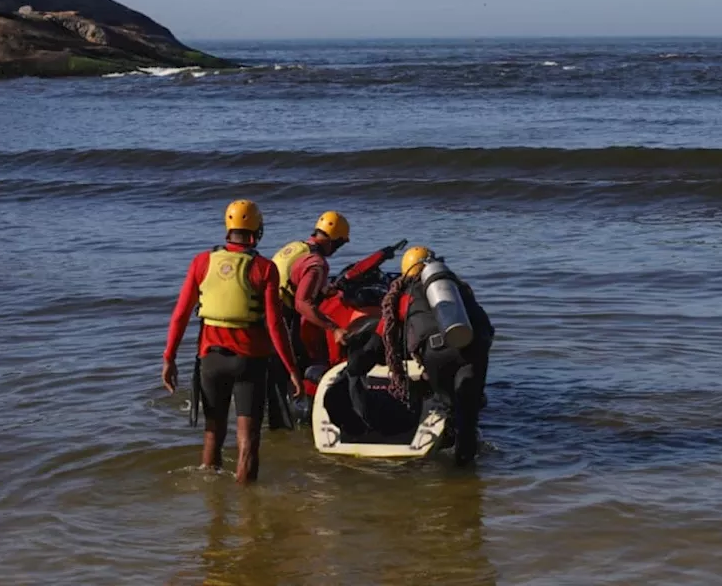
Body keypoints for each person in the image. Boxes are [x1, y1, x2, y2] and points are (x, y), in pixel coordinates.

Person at [161, 199, 301, 484]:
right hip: (250, 361)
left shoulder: (202, 262)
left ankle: (214, 510)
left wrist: (169, 358)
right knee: (247, 439)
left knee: (212, 433)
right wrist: (292, 369)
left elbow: (180, 315)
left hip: (211, 359)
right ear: (257, 229)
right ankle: (249, 510)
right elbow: (275, 325)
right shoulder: (265, 268)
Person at [349, 245, 494, 465]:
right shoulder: (459, 290)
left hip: (435, 354)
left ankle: (444, 467)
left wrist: (357, 363)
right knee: (467, 412)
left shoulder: (402, 297)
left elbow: (379, 340)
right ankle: (468, 475)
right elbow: (486, 327)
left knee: (447, 405)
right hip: (472, 349)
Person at [271, 211, 352, 372]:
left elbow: (292, 278)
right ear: (333, 240)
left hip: (265, 308)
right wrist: (334, 328)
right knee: (295, 362)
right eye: (340, 244)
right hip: (281, 315)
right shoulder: (317, 264)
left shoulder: (295, 247)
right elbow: (302, 304)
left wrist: (321, 292)